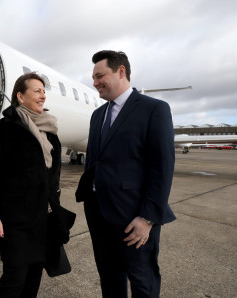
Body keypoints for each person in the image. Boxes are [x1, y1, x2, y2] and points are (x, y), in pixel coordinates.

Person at [76, 50, 176, 298]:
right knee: (109, 277)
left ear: (121, 72)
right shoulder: (98, 114)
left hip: (134, 218)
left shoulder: (154, 109)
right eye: (93, 77)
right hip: (99, 214)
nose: (95, 82)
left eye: (100, 76)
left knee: (142, 279)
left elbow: (162, 168)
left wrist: (148, 218)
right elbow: (94, 161)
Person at [0, 73, 62, 297]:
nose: (43, 96)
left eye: (44, 91)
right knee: (14, 277)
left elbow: (53, 176)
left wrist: (54, 205)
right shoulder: (4, 129)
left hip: (42, 218)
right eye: (37, 91)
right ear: (20, 96)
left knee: (34, 274)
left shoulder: (50, 130)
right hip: (13, 219)